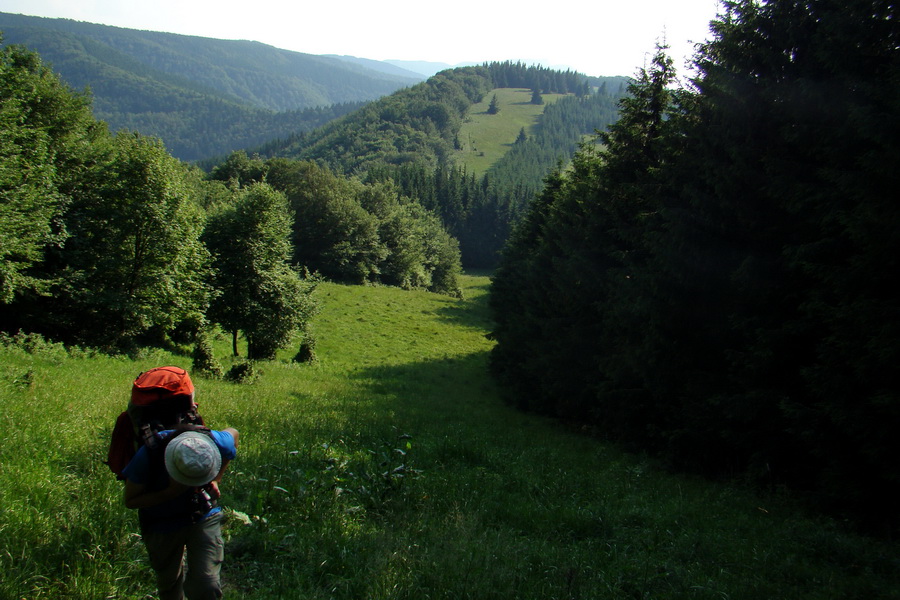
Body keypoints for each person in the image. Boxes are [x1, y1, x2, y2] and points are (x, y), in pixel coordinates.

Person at [123, 424, 239, 600]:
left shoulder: (214, 441)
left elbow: (234, 434)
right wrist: (169, 493)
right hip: (161, 523)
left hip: (203, 515)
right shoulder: (151, 452)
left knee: (207, 585)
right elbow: (131, 500)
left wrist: (216, 479)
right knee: (169, 585)